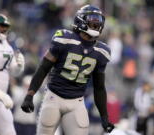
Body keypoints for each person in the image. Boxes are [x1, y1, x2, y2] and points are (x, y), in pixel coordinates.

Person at [21, 5, 114, 135]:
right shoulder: (65, 39)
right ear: (81, 20)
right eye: (93, 18)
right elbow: (43, 68)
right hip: (54, 97)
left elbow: (99, 87)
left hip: (77, 101)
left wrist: (104, 116)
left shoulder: (101, 51)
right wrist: (30, 95)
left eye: (98, 20)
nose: (96, 22)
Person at [0, 13, 25, 135]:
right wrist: (1, 94)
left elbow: (12, 70)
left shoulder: (6, 45)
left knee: (9, 132)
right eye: (1, 26)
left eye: (5, 26)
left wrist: (19, 66)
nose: (4, 29)